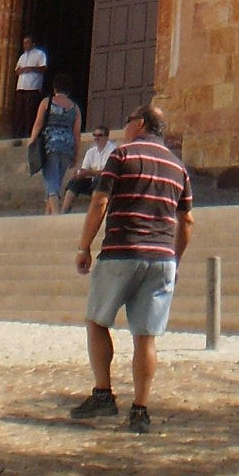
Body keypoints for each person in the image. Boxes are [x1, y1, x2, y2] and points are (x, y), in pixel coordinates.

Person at [72, 102, 193, 435]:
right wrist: (175, 258)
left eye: (127, 121)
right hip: (162, 259)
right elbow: (188, 221)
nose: (123, 128)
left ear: (140, 123)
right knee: (146, 337)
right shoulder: (177, 166)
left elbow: (99, 201)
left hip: (122, 250)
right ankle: (140, 409)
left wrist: (84, 246)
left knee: (97, 321)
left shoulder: (122, 156)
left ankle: (103, 393)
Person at [30, 74, 82, 215]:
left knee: (50, 178)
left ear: (54, 88)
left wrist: (32, 141)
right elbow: (77, 134)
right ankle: (48, 214)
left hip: (50, 144)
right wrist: (76, 155)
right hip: (67, 145)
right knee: (57, 180)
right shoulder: (75, 108)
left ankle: (56, 214)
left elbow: (38, 124)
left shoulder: (47, 102)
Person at [63, 126, 116, 214]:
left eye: (100, 135)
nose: (96, 138)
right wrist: (79, 174)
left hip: (108, 185)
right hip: (94, 181)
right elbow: (84, 170)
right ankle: (63, 212)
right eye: (94, 135)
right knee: (74, 182)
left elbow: (107, 172)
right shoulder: (91, 152)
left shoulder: (112, 150)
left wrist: (88, 172)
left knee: (98, 179)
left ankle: (93, 213)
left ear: (106, 137)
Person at [12, 36, 47, 140]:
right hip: (21, 87)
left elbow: (44, 68)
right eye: (24, 43)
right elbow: (16, 70)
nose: (25, 45)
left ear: (33, 44)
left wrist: (31, 68)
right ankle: (18, 133)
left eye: (27, 43)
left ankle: (30, 133)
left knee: (30, 111)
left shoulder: (40, 54)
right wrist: (20, 71)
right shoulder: (22, 56)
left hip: (33, 86)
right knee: (19, 111)